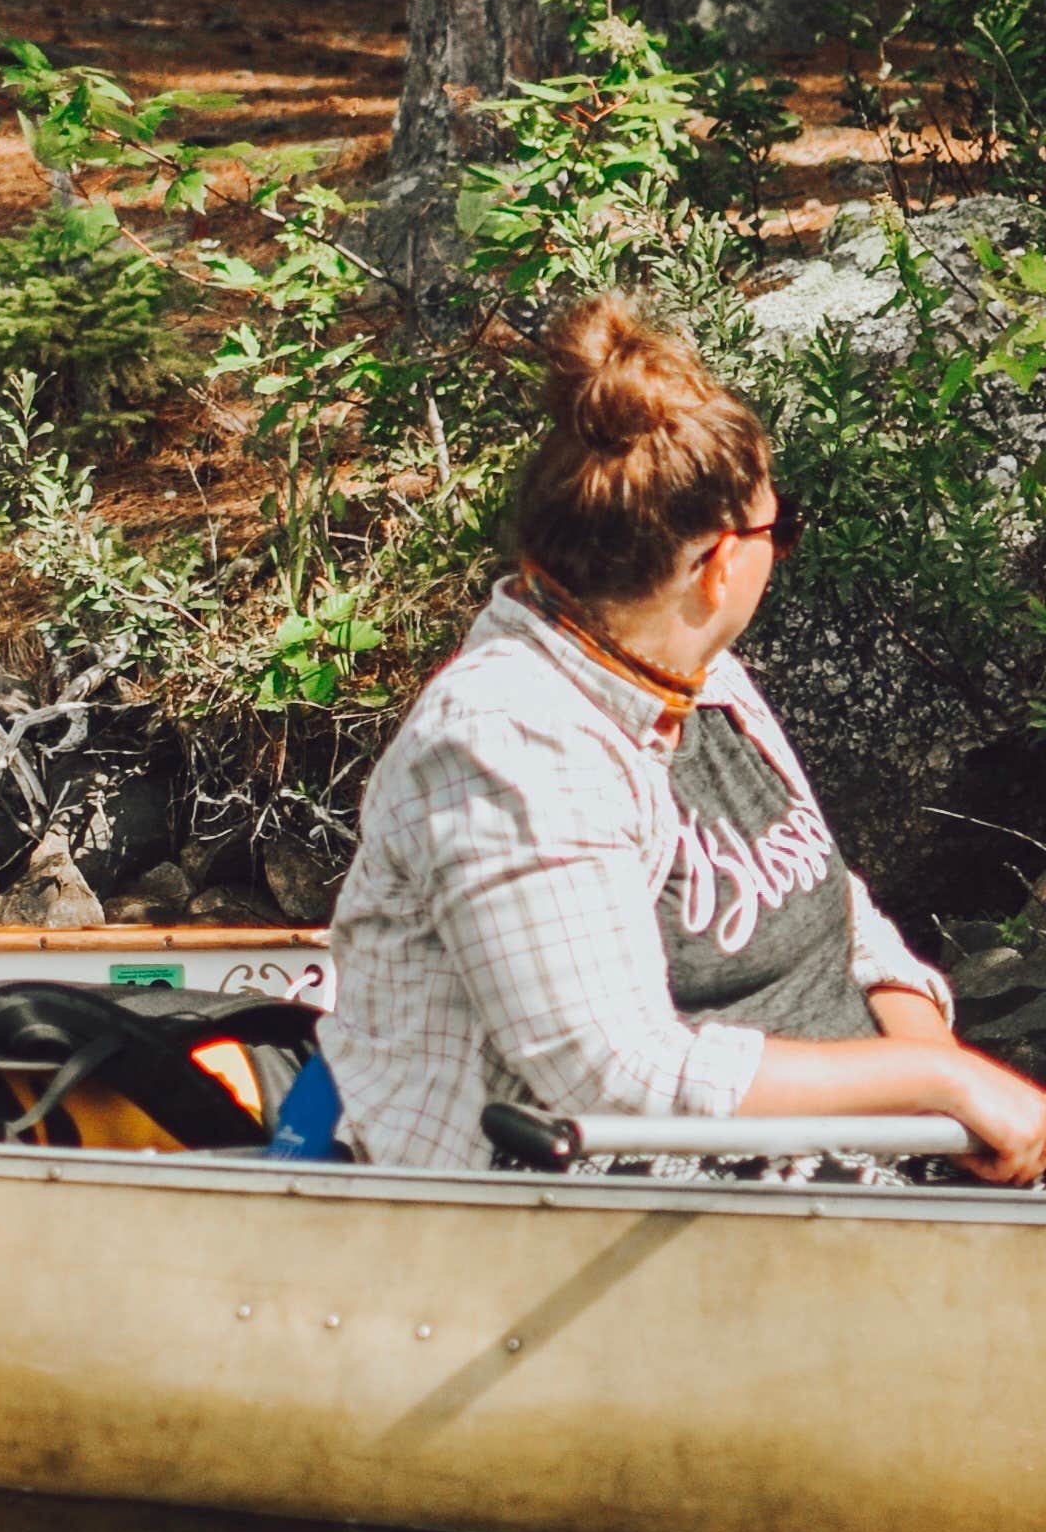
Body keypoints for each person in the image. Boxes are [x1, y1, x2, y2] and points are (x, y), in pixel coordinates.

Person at [326, 297, 1046, 1179]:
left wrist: (942, 1068)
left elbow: (832, 904)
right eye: (779, 529)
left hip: (874, 1160)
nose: (781, 551)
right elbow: (608, 1072)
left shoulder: (694, 667)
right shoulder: (505, 741)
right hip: (623, 1221)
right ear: (716, 565)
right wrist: (929, 1081)